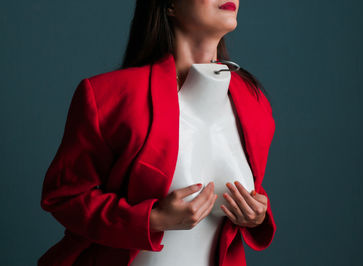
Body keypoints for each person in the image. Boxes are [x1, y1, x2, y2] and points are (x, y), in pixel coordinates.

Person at [38, 1, 277, 265]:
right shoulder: (108, 97)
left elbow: (254, 191)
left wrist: (257, 216)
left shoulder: (254, 102)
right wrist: (153, 219)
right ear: (170, 4)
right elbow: (63, 197)